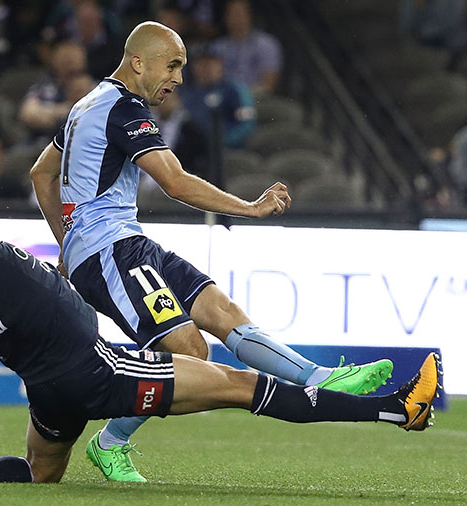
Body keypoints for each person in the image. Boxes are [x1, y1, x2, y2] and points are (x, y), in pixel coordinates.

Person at [0, 89, 441, 484]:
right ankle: (395, 409)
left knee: (38, 475)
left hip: (49, 386)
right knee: (240, 384)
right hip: (96, 370)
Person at [30, 21, 396, 482]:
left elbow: (41, 173)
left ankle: (317, 377)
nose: (180, 77)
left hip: (125, 242)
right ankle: (111, 441)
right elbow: (175, 181)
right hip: (110, 250)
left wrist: (68, 241)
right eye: (173, 64)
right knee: (188, 349)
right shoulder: (123, 109)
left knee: (222, 311)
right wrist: (248, 206)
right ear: (139, 62)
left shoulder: (87, 106)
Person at [210, 0, 283, 97]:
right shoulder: (217, 47)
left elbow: (270, 82)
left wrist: (245, 95)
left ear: (250, 16)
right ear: (225, 18)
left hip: (258, 98)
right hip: (226, 99)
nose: (237, 19)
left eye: (241, 13)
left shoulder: (267, 44)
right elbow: (210, 81)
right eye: (233, 14)